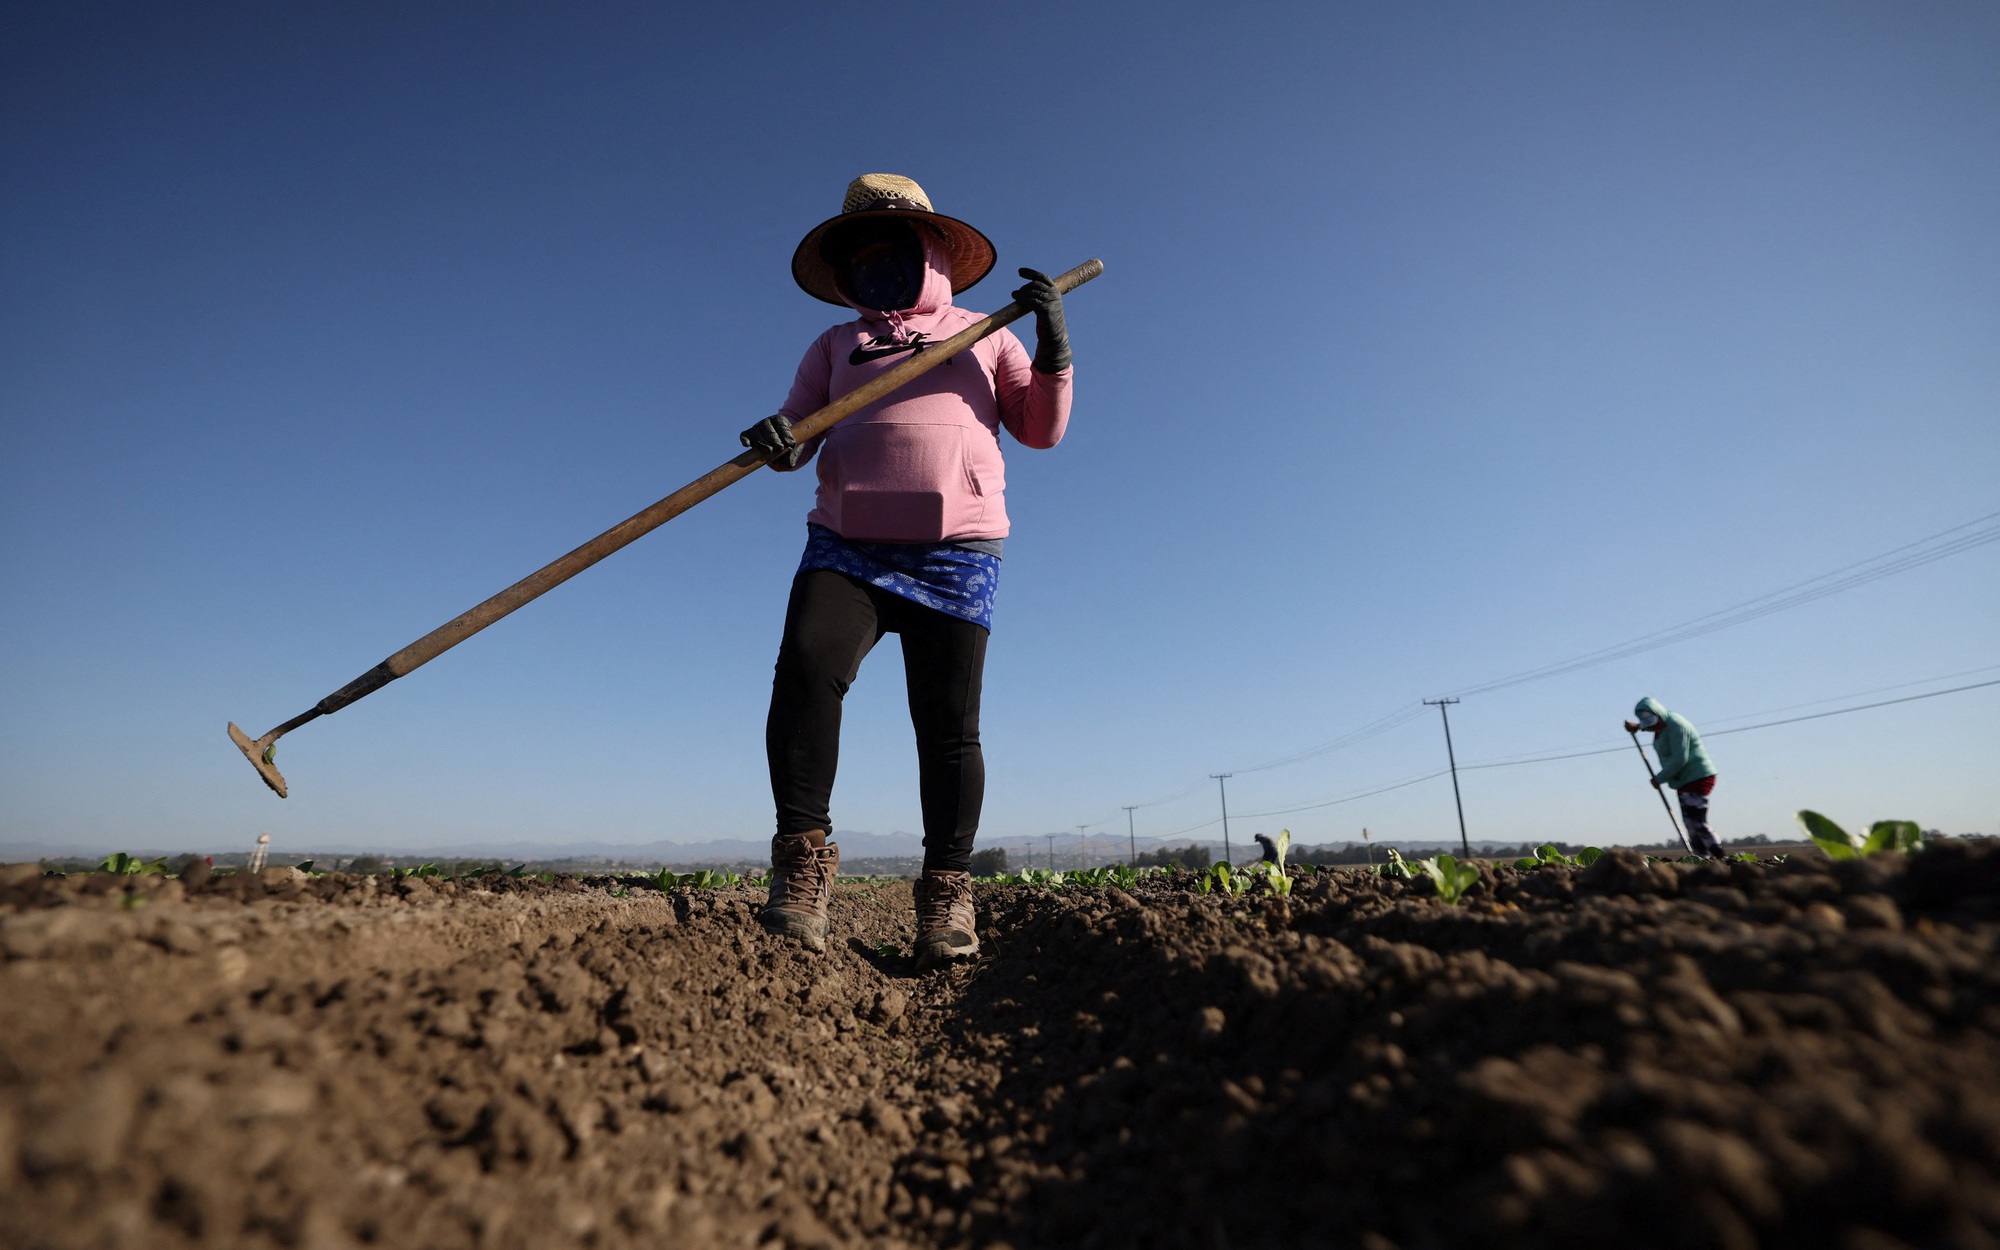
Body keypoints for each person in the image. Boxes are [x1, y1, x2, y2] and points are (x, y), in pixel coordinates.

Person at [739, 174, 1073, 968]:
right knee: (806, 675)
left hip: (957, 550)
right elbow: (800, 432)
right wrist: (777, 437)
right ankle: (802, 861)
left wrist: (1054, 344)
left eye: (892, 250)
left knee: (948, 728)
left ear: (928, 253)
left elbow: (1039, 430)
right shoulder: (833, 346)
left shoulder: (986, 332)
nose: (875, 268)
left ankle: (947, 893)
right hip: (846, 545)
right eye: (861, 257)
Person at [1624, 697, 1722, 856]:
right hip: (1683, 780)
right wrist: (1638, 727)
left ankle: (1719, 855)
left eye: (1650, 718)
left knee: (1697, 821)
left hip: (1697, 777)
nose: (1648, 723)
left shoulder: (1676, 724)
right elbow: (1649, 723)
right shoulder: (1660, 726)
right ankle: (1701, 858)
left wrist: (1659, 778)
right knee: (1690, 823)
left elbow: (1680, 758)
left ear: (1658, 713)